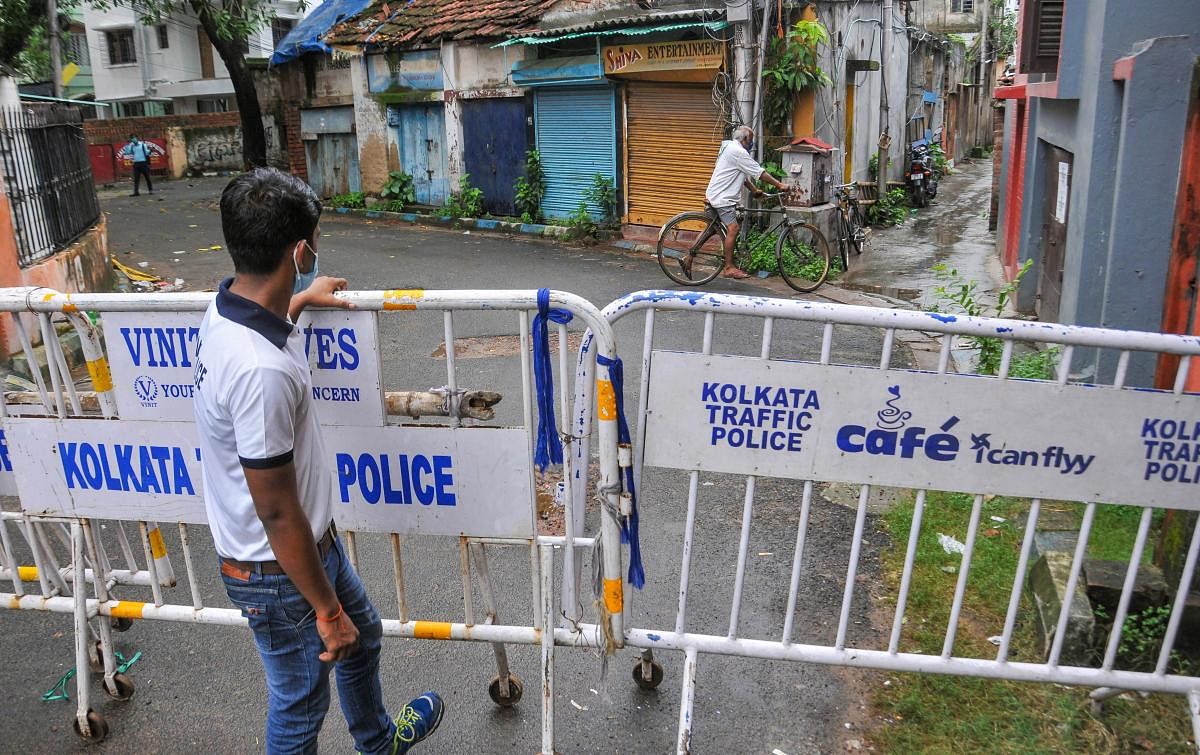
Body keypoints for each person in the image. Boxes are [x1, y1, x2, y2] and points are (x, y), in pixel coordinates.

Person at [192, 168, 444, 754]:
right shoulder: (261, 371)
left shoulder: (226, 308)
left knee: (366, 637)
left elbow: (268, 333)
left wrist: (301, 299)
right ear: (301, 249)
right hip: (278, 568)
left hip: (305, 550)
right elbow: (277, 510)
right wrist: (326, 611)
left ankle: (377, 741)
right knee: (300, 705)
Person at [704, 125, 789, 279]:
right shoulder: (738, 152)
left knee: (710, 230)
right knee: (733, 228)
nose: (752, 144)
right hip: (723, 198)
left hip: (714, 194)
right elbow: (759, 172)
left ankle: (688, 257)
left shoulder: (727, 146)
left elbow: (739, 172)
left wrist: (754, 190)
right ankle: (729, 267)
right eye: (750, 140)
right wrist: (780, 185)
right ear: (744, 139)